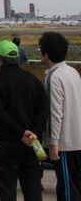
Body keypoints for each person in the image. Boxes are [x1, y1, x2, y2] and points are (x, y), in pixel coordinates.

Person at [0, 40, 49, 201]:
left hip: (6, 143)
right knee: (33, 190)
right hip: (31, 143)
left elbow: (0, 112)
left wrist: (21, 132)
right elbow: (43, 109)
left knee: (6, 191)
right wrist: (34, 132)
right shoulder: (33, 80)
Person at [39, 31, 81, 201]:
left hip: (65, 142)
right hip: (77, 138)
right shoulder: (72, 72)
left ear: (46, 54)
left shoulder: (54, 77)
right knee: (74, 184)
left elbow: (55, 112)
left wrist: (53, 142)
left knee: (67, 188)